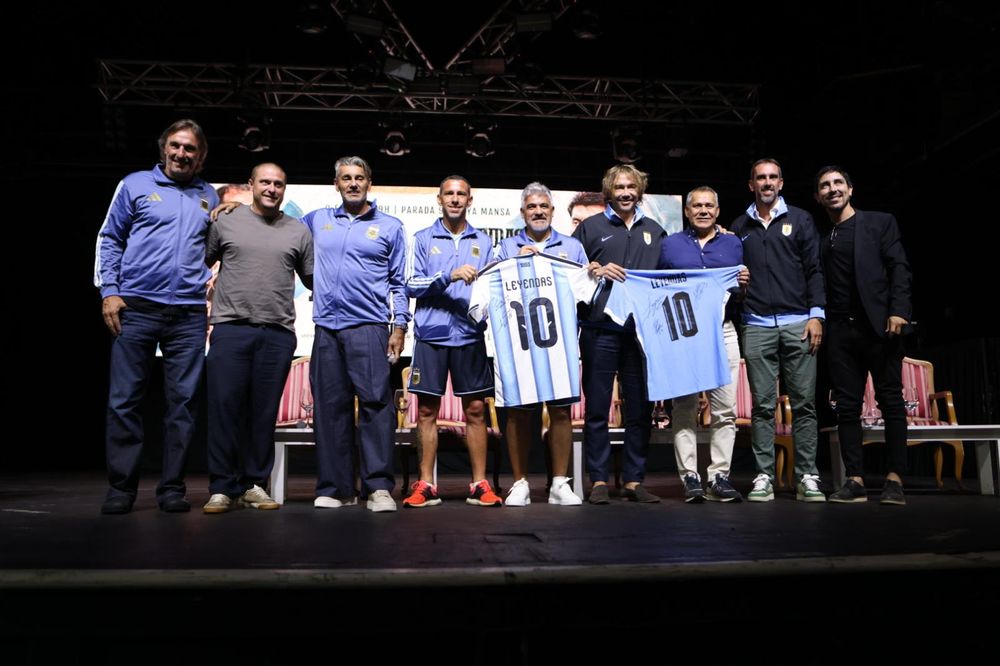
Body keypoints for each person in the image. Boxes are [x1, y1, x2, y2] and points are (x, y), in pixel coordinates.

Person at [94, 119, 218, 514]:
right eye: (176, 146)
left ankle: (172, 489)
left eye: (190, 149)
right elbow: (109, 238)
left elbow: (214, 246)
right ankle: (121, 489)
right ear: (164, 148)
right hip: (136, 308)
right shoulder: (134, 185)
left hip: (188, 313)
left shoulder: (208, 195)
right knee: (124, 401)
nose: (182, 154)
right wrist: (109, 291)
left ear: (200, 157)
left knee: (183, 404)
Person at [202, 163, 313, 514]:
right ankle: (222, 487)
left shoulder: (298, 230)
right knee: (225, 410)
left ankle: (253, 484)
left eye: (278, 184)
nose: (271, 189)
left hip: (277, 333)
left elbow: (313, 280)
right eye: (265, 182)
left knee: (263, 414)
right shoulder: (226, 221)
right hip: (231, 328)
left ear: (284, 189)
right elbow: (200, 261)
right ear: (251, 184)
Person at [303, 156, 410, 512]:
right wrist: (234, 210)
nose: (352, 183)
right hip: (326, 329)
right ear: (336, 184)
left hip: (369, 327)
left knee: (376, 407)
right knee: (330, 409)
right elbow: (277, 227)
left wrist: (400, 326)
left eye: (359, 178)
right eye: (346, 178)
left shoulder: (390, 226)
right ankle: (337, 488)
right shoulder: (317, 220)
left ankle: (378, 488)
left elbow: (399, 282)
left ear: (369, 183)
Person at [401, 176, 502, 508]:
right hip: (431, 336)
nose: (455, 199)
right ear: (439, 199)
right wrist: (448, 275)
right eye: (449, 194)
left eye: (461, 194)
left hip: (469, 336)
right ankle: (426, 484)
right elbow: (410, 284)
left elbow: (492, 287)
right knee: (426, 410)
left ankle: (479, 484)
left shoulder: (484, 241)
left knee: (476, 409)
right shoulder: (422, 238)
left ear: (470, 200)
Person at [730, 158, 827, 503]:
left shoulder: (800, 219)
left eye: (773, 177)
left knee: (804, 404)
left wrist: (817, 316)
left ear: (781, 183)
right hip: (756, 325)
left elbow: (815, 269)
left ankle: (807, 476)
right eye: (761, 178)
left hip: (799, 323)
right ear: (751, 185)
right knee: (762, 406)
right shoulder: (738, 226)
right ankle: (764, 476)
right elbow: (732, 278)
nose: (767, 182)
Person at [815, 166, 912, 505]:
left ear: (850, 189)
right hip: (840, 331)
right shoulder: (823, 237)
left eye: (838, 183)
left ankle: (895, 479)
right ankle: (854, 479)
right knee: (846, 407)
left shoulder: (879, 223)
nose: (832, 189)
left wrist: (899, 309)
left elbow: (899, 267)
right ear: (818, 196)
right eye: (825, 186)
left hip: (879, 327)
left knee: (891, 401)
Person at [572, 164, 667, 504]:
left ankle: (633, 481)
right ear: (608, 192)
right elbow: (571, 273)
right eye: (619, 187)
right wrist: (594, 270)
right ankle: (598, 480)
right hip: (599, 329)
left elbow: (669, 279)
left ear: (639, 191)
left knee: (639, 409)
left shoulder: (655, 231)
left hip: (641, 334)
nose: (625, 193)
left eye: (631, 187)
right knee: (597, 408)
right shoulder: (590, 227)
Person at [497, 182, 588, 507]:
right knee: (518, 413)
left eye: (543, 206)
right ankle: (520, 483)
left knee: (561, 411)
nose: (538, 212)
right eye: (532, 207)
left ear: (552, 210)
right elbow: (493, 291)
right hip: (519, 344)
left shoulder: (572, 247)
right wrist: (515, 263)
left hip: (560, 342)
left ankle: (559, 483)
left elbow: (586, 292)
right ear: (523, 212)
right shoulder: (506, 247)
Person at [658, 187, 747, 502]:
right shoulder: (670, 245)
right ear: (687, 211)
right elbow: (658, 288)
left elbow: (741, 288)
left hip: (723, 332)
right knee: (684, 407)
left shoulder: (733, 244)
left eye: (709, 206)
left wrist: (744, 283)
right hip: (684, 334)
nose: (703, 210)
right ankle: (690, 478)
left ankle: (719, 476)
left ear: (718, 211)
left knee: (725, 409)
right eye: (697, 206)